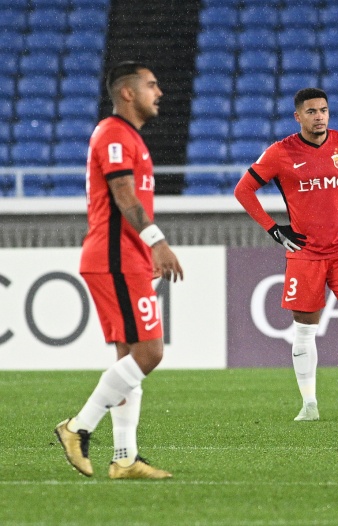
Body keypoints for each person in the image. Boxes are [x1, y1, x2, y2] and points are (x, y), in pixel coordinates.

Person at [55, 61, 183, 478]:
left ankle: (125, 457)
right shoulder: (113, 133)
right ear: (127, 92)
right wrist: (157, 243)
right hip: (114, 258)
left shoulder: (129, 137)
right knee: (150, 352)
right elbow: (124, 195)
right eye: (151, 85)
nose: (159, 92)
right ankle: (78, 426)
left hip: (126, 258)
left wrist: (144, 252)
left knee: (129, 357)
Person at [234, 87, 338, 422]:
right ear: (298, 116)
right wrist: (273, 229)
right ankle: (309, 405)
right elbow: (243, 189)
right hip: (306, 253)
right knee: (305, 328)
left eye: (323, 110)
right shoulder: (280, 152)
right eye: (311, 112)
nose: (319, 117)